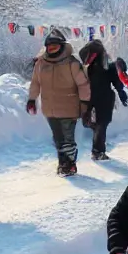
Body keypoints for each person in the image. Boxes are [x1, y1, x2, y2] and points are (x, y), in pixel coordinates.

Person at [27, 28, 92, 176]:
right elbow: (36, 82)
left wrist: (85, 104)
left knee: (68, 139)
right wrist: (32, 98)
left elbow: (83, 84)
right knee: (57, 139)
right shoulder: (41, 63)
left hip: (69, 107)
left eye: (55, 46)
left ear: (62, 46)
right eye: (49, 47)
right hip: (50, 108)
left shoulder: (72, 63)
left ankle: (69, 165)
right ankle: (63, 162)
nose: (52, 49)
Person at [79, 40, 128, 161]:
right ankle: (98, 151)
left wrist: (121, 92)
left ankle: (98, 149)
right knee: (101, 124)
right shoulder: (104, 64)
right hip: (101, 98)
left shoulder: (84, 65)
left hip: (91, 98)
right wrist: (121, 93)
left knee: (99, 124)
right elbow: (116, 81)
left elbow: (116, 80)